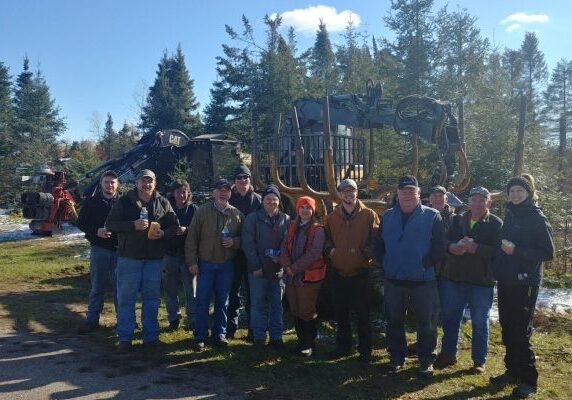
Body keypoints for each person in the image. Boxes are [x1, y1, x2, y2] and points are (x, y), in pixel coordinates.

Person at [490, 176, 554, 399]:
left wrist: (516, 250)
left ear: (528, 193)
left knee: (519, 330)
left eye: (520, 191)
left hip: (525, 282)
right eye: (512, 191)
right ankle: (512, 371)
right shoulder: (511, 213)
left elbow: (548, 253)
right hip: (507, 279)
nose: (515, 194)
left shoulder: (537, 218)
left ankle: (529, 379)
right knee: (507, 326)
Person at [376, 175, 446, 377]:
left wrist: (425, 264)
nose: (407, 195)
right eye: (403, 191)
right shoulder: (387, 216)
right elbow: (378, 244)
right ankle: (397, 358)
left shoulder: (432, 216)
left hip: (422, 281)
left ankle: (426, 360)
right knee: (394, 321)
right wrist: (385, 262)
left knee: (426, 323)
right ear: (397, 194)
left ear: (418, 193)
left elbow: (440, 246)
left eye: (411, 191)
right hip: (394, 280)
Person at [105, 169, 178, 352]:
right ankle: (125, 337)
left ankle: (151, 337)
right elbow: (110, 224)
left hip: (153, 259)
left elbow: (174, 225)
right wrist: (132, 225)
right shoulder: (124, 202)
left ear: (155, 183)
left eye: (150, 181)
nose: (147, 184)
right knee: (126, 299)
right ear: (136, 183)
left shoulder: (163, 202)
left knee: (152, 299)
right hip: (129, 258)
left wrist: (163, 233)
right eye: (143, 181)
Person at [435, 186, 502, 374]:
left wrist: (477, 249)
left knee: (480, 322)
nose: (477, 204)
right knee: (450, 318)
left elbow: (499, 252)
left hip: (481, 282)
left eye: (482, 200)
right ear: (469, 202)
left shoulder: (496, 224)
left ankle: (479, 361)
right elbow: (444, 241)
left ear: (489, 202)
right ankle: (448, 354)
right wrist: (452, 247)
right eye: (474, 200)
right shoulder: (457, 220)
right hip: (454, 278)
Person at [325, 178, 380, 364]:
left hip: (360, 271)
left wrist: (366, 254)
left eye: (352, 191)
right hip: (338, 271)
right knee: (341, 313)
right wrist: (331, 251)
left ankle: (365, 349)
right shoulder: (332, 217)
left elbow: (377, 241)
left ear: (357, 193)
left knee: (363, 313)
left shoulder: (369, 214)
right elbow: (327, 240)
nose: (348, 194)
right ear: (339, 194)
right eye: (344, 191)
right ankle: (343, 346)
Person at [185, 178, 243, 351]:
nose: (223, 193)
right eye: (220, 190)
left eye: (226, 190)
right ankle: (200, 336)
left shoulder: (237, 214)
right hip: (205, 264)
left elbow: (245, 238)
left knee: (223, 301)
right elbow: (191, 238)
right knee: (202, 301)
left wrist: (234, 242)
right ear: (214, 193)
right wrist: (192, 262)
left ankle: (220, 334)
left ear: (230, 193)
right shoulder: (202, 211)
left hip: (226, 265)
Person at [241, 184, 290, 348]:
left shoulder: (286, 219)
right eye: (268, 199)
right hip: (258, 271)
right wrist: (255, 266)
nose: (271, 202)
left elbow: (288, 243)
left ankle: (276, 337)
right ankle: (259, 337)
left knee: (277, 306)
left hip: (277, 272)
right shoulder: (252, 218)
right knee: (257, 305)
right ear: (263, 201)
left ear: (279, 201)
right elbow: (248, 244)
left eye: (275, 199)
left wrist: (281, 258)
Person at [280, 196, 326, 357]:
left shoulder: (317, 229)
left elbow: (314, 253)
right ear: (297, 210)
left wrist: (294, 268)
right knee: (296, 309)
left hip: (308, 278)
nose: (305, 210)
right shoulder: (292, 226)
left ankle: (309, 344)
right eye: (302, 207)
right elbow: (284, 248)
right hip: (292, 277)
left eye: (308, 208)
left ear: (313, 211)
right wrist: (287, 266)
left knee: (307, 310)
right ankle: (300, 342)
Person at [76, 170, 120, 334]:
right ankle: (92, 319)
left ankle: (122, 320)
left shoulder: (123, 202)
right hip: (99, 249)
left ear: (117, 184)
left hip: (119, 250)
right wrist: (96, 231)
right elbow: (80, 223)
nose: (110, 185)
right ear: (101, 184)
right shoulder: (92, 202)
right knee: (97, 285)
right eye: (106, 182)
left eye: (112, 182)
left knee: (120, 287)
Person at [227, 164, 261, 340]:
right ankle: (230, 328)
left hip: (252, 254)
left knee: (253, 293)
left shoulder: (259, 200)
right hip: (232, 253)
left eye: (245, 177)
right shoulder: (229, 199)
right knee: (233, 292)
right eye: (239, 178)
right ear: (235, 181)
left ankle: (253, 329)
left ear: (250, 180)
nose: (242, 181)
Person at [162, 180, 198, 332]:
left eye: (184, 192)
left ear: (188, 193)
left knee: (191, 290)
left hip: (187, 255)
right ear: (173, 193)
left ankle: (193, 319)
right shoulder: (166, 208)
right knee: (170, 289)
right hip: (169, 253)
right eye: (178, 192)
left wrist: (187, 229)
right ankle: (173, 318)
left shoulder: (194, 209)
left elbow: (199, 230)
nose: (181, 195)